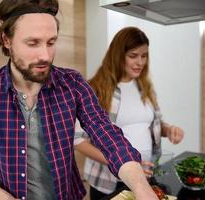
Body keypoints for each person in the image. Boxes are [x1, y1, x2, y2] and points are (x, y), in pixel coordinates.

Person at [0, 1, 159, 200]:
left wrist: (141, 187)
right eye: (33, 43)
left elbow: (107, 135)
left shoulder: (73, 83)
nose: (45, 55)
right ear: (6, 40)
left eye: (51, 42)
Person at [74, 26, 185, 200]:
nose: (140, 62)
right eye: (133, 56)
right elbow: (79, 141)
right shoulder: (94, 89)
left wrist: (168, 129)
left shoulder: (145, 87)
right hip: (109, 181)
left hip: (147, 175)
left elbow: (151, 124)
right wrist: (126, 163)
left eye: (144, 55)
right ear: (118, 55)